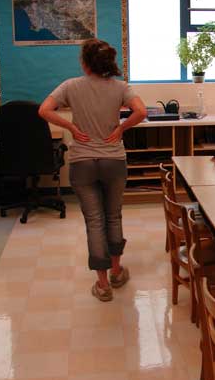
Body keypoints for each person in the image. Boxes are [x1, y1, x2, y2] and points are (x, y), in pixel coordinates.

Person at [39, 38, 147, 301]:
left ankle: (102, 284)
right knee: (114, 216)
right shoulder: (121, 87)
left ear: (85, 63)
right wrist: (121, 128)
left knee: (95, 221)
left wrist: (71, 127)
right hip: (113, 161)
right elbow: (141, 112)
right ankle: (117, 272)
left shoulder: (71, 85)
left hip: (82, 162)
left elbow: (44, 110)